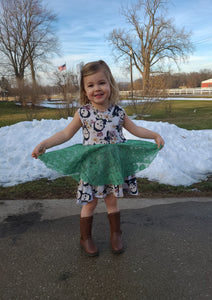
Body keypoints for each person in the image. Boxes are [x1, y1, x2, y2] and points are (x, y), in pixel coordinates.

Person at [31, 60, 165, 257]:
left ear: (110, 84)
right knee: (90, 202)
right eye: (91, 85)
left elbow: (135, 129)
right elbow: (65, 134)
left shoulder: (119, 112)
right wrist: (45, 144)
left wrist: (154, 135)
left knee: (112, 200)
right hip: (92, 166)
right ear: (85, 90)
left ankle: (116, 233)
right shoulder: (83, 113)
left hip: (112, 166)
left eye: (101, 83)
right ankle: (85, 237)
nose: (97, 89)